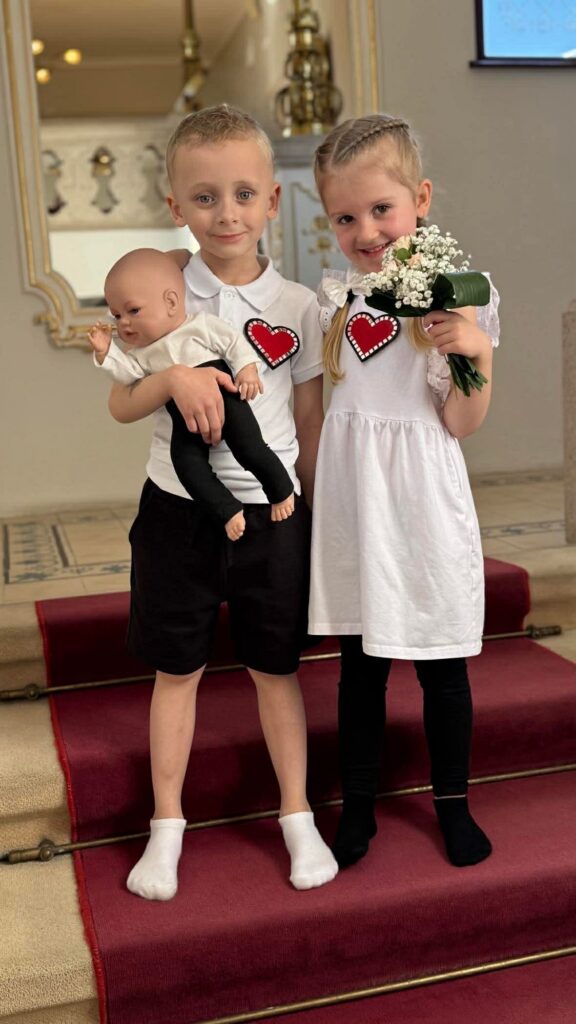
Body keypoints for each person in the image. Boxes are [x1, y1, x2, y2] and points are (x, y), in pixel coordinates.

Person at [106, 104, 338, 899]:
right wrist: (171, 378)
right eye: (205, 197)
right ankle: (166, 825)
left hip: (273, 513)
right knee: (178, 669)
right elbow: (120, 400)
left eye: (243, 194)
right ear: (177, 206)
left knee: (276, 669)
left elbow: (308, 418)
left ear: (273, 200)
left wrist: (311, 509)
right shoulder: (160, 290)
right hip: (179, 512)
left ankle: (297, 814)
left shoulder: (299, 306)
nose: (226, 213)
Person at [308, 113, 499, 870]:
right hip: (357, 507)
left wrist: (475, 351)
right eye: (344, 217)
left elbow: (461, 421)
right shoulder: (335, 300)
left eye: (381, 209)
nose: (366, 231)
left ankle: (453, 803)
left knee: (442, 666)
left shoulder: (456, 295)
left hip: (421, 502)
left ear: (419, 199)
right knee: (360, 668)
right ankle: (358, 806)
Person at [88, 247, 294, 541]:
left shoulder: (199, 325)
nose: (123, 323)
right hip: (184, 417)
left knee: (249, 447)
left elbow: (233, 343)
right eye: (117, 315)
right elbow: (127, 375)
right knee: (185, 463)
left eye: (133, 311)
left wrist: (247, 370)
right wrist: (106, 353)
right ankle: (227, 510)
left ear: (171, 302)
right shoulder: (142, 354)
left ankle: (281, 491)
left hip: (227, 396)